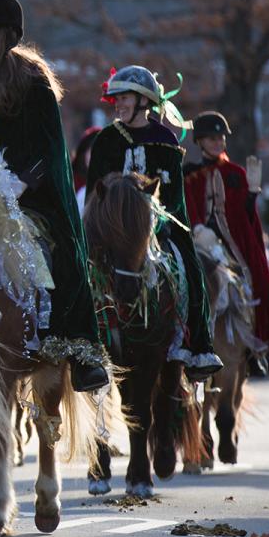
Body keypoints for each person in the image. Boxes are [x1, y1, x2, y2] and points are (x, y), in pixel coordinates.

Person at [0, 0, 109, 391]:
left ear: (8, 37)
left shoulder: (34, 85)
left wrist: (20, 182)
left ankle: (76, 348)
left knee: (62, 251)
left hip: (28, 195)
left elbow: (50, 148)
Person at [85, 66, 223, 380]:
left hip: (158, 223)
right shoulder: (106, 139)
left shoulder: (164, 140)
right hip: (109, 229)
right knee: (80, 262)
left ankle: (196, 346)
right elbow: (96, 190)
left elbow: (174, 194)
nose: (118, 103)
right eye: (115, 98)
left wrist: (154, 221)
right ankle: (81, 345)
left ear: (144, 100)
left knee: (190, 265)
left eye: (125, 97)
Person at [182, 111, 269, 358]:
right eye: (212, 138)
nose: (217, 142)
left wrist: (252, 194)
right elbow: (189, 210)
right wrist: (199, 228)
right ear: (200, 141)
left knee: (251, 281)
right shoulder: (189, 175)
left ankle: (250, 345)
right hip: (201, 241)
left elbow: (246, 219)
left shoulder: (236, 173)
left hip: (232, 245)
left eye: (221, 137)